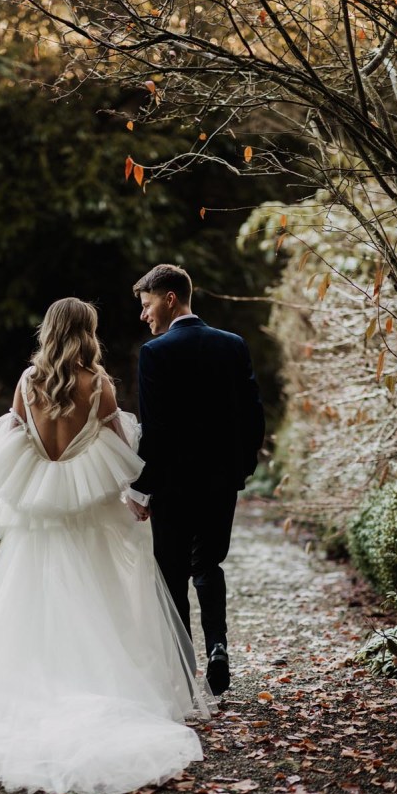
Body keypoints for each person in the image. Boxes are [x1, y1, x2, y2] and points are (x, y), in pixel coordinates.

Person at [0, 297, 212, 794]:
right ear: (87, 332)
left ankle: (23, 686)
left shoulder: (27, 382)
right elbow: (123, 449)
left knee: (23, 603)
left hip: (37, 513)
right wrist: (133, 494)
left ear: (50, 331)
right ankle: (98, 684)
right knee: (99, 600)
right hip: (87, 514)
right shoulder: (99, 385)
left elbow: (12, 441)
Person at [127, 265, 265, 697]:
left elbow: (156, 431)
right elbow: (253, 415)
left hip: (172, 486)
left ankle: (185, 670)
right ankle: (218, 648)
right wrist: (240, 467)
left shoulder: (155, 354)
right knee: (208, 565)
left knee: (171, 575)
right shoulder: (232, 345)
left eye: (147, 305)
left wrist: (141, 487)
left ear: (170, 299)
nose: (144, 316)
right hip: (220, 482)